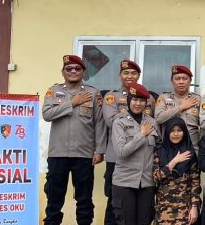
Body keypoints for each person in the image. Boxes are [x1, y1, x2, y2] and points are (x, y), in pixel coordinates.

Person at [43, 55, 106, 225]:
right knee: (54, 197)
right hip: (58, 154)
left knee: (84, 199)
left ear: (83, 72)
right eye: (69, 69)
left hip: (84, 155)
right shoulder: (53, 91)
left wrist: (100, 150)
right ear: (62, 72)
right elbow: (47, 114)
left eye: (77, 69)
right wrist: (72, 102)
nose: (73, 71)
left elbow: (99, 123)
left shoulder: (93, 93)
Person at [102, 59, 142, 225]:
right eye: (126, 73)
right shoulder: (111, 97)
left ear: (138, 75)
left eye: (133, 73)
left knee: (138, 201)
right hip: (116, 157)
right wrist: (133, 114)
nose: (129, 76)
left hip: (140, 158)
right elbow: (111, 121)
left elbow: (150, 122)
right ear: (120, 75)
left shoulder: (147, 98)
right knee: (114, 201)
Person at [111, 83, 158, 225]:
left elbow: (158, 149)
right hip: (125, 182)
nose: (138, 104)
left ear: (146, 103)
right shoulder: (119, 122)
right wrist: (141, 134)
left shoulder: (152, 122)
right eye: (135, 99)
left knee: (145, 221)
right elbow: (121, 151)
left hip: (147, 182)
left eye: (142, 100)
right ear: (129, 100)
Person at [153, 117, 202, 225]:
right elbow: (156, 177)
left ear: (184, 132)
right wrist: (174, 161)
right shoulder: (160, 152)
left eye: (179, 130)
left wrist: (194, 207)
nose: (176, 134)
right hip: (164, 210)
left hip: (185, 210)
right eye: (172, 131)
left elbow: (195, 184)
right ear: (167, 133)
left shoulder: (189, 154)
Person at [154, 65, 202, 149]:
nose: (181, 82)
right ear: (172, 81)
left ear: (190, 81)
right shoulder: (164, 98)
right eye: (177, 79)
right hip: (169, 149)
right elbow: (159, 118)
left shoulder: (197, 99)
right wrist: (181, 107)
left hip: (192, 149)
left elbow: (204, 125)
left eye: (185, 79)